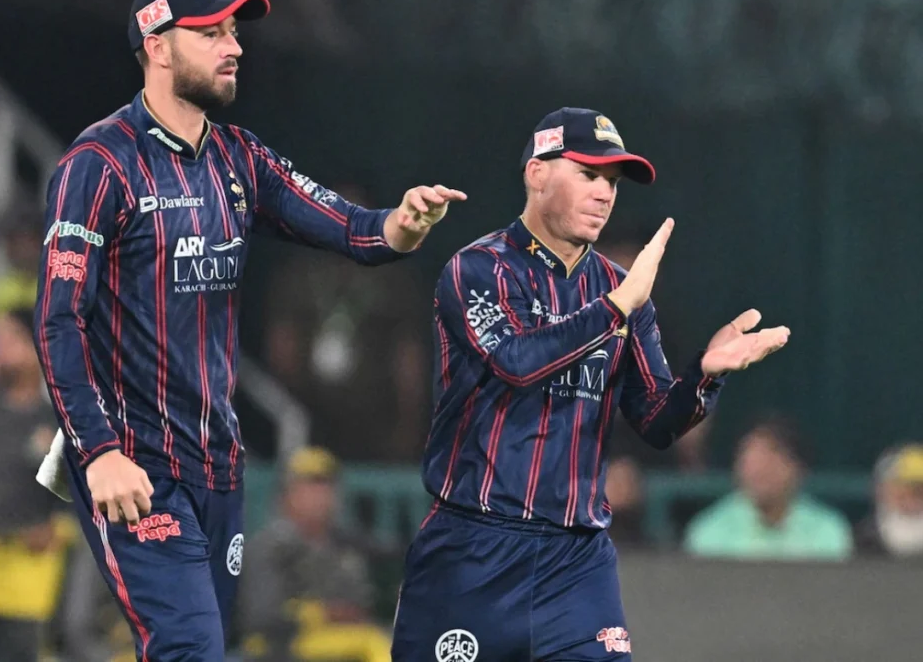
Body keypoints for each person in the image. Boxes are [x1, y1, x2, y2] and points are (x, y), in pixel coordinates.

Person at [32, 0, 464, 660]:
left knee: (197, 645)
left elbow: (348, 227)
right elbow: (59, 322)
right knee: (189, 646)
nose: (234, 47)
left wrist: (402, 224)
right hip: (136, 468)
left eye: (234, 31)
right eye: (211, 33)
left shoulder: (240, 157)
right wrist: (99, 452)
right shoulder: (99, 165)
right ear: (157, 47)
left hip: (219, 469)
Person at [390, 107, 790, 662]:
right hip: (473, 550)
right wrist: (615, 308)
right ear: (536, 174)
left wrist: (705, 372)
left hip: (576, 559)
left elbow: (656, 421)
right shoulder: (478, 269)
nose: (604, 193)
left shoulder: (621, 289)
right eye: (587, 174)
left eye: (612, 182)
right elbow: (515, 361)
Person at [0, 308, 73, 662]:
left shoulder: (56, 417)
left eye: (10, 338)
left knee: (22, 650)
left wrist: (57, 527)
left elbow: (71, 493)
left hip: (29, 566)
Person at [238, 447, 389, 662]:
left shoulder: (346, 545)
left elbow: (365, 602)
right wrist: (320, 613)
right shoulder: (267, 547)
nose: (319, 498)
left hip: (336, 642)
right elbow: (260, 616)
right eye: (308, 489)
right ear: (286, 497)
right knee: (372, 644)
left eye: (325, 488)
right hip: (276, 647)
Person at [683, 415, 853, 562]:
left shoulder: (828, 530)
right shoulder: (709, 532)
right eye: (752, 461)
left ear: (798, 468)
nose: (761, 470)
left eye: (772, 460)